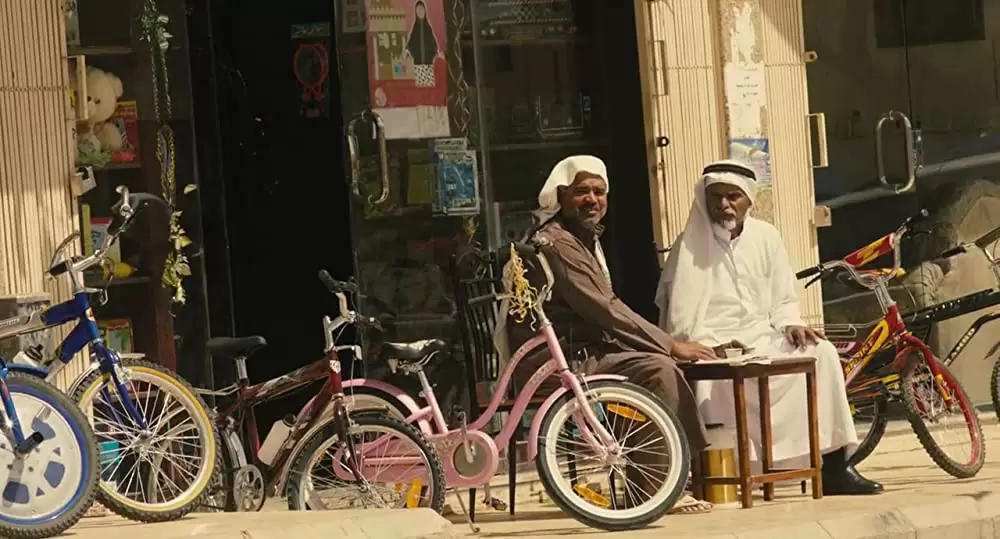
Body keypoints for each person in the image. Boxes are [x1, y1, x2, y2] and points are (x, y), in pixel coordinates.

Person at [654, 159, 883, 496]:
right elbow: (679, 315)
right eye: (716, 196)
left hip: (762, 335)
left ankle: (834, 467)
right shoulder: (688, 245)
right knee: (713, 378)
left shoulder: (766, 236)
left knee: (822, 352)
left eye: (733, 196)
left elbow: (783, 296)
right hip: (711, 340)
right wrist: (700, 343)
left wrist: (791, 322)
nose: (723, 204)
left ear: (749, 200)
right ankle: (727, 472)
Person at [510, 155, 718, 514]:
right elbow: (604, 308)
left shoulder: (579, 237)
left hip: (582, 349)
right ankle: (654, 489)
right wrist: (669, 344)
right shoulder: (557, 242)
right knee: (658, 369)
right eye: (582, 191)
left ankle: (662, 478)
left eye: (599, 191)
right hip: (557, 358)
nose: (592, 199)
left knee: (652, 363)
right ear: (561, 196)